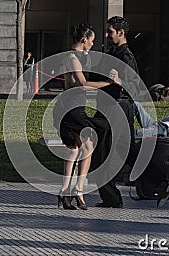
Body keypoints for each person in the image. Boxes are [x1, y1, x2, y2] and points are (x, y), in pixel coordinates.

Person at [53, 22, 112, 210]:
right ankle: (76, 190)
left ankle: (67, 192)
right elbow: (82, 83)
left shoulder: (74, 57)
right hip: (72, 108)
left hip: (72, 106)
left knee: (75, 149)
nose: (93, 45)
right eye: (91, 41)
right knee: (88, 144)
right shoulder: (72, 57)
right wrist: (108, 83)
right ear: (84, 39)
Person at [91, 16, 141, 208]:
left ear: (121, 33)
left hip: (116, 107)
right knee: (123, 150)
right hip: (108, 107)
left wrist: (121, 82)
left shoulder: (126, 56)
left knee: (102, 153)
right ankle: (156, 175)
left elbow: (136, 87)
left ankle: (112, 198)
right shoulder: (111, 53)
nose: (106, 35)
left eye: (110, 31)